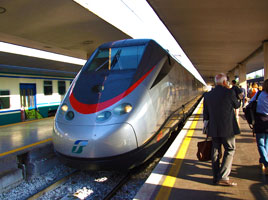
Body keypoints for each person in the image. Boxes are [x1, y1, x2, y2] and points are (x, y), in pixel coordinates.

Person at [203, 73, 241, 186]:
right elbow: (237, 106)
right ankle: (223, 177)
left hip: (214, 128)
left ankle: (215, 177)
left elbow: (206, 114)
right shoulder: (229, 92)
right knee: (229, 149)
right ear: (225, 82)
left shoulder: (208, 95)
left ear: (216, 82)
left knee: (215, 152)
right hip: (227, 128)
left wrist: (206, 127)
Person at [249, 79, 268, 174]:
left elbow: (250, 104)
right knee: (267, 142)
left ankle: (266, 163)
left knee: (260, 143)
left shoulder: (260, 94)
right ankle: (262, 161)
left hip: (260, 120)